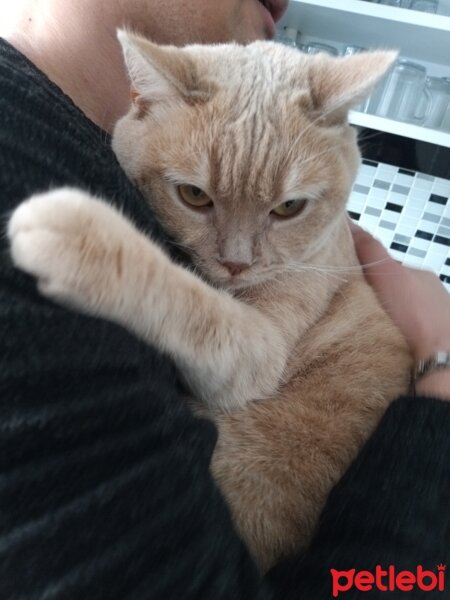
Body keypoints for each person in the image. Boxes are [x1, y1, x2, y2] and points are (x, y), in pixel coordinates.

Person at [0, 1, 448, 598]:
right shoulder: (24, 152)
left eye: (287, 208)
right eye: (195, 196)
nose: (239, 259)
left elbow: (252, 368)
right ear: (143, 100)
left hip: (310, 451)